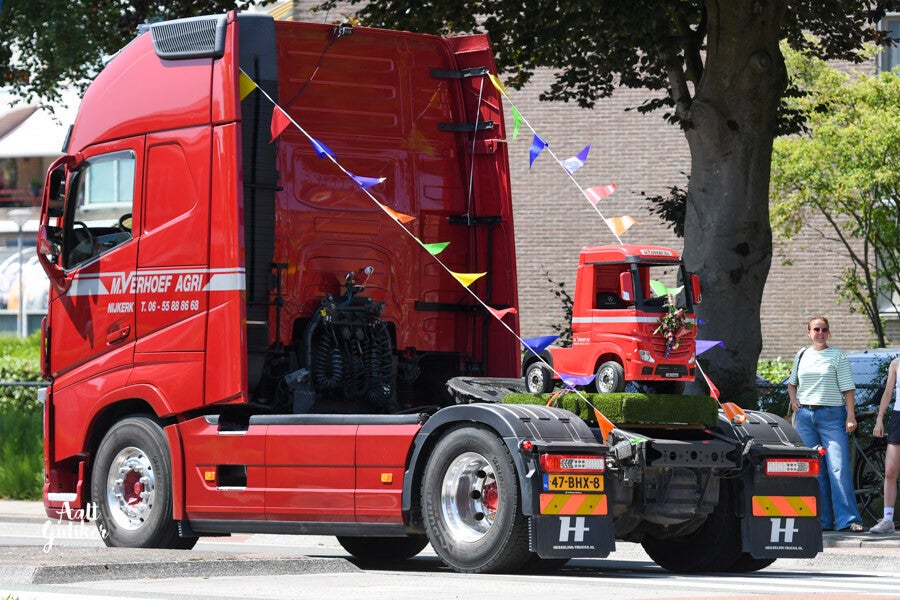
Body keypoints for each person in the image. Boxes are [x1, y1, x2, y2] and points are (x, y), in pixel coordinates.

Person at [788, 316, 864, 532]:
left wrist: (851, 416)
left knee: (838, 468)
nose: (820, 333)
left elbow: (848, 389)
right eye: (816, 329)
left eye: (824, 329)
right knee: (814, 470)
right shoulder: (801, 354)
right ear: (808, 332)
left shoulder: (838, 355)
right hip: (805, 417)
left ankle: (848, 520)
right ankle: (821, 520)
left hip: (832, 416)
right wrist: (794, 401)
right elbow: (792, 383)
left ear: (828, 332)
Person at [870, 356, 899, 534]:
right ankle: (888, 519)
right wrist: (879, 420)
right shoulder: (896, 363)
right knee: (890, 470)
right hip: (898, 416)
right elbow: (888, 392)